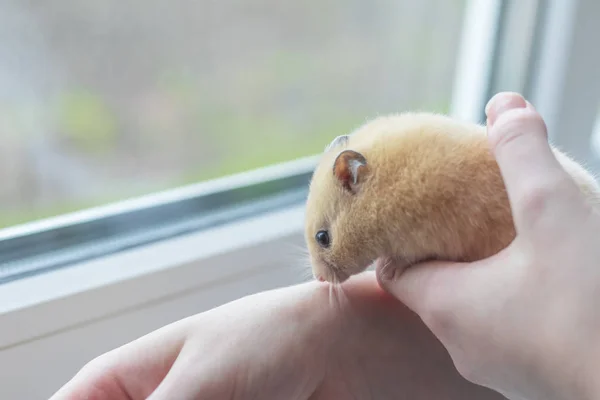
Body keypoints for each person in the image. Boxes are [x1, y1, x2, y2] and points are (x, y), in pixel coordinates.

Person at [50, 92, 600, 400]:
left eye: (323, 241)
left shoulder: (410, 189)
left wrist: (565, 344)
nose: (321, 267)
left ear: (354, 176)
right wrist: (335, 339)